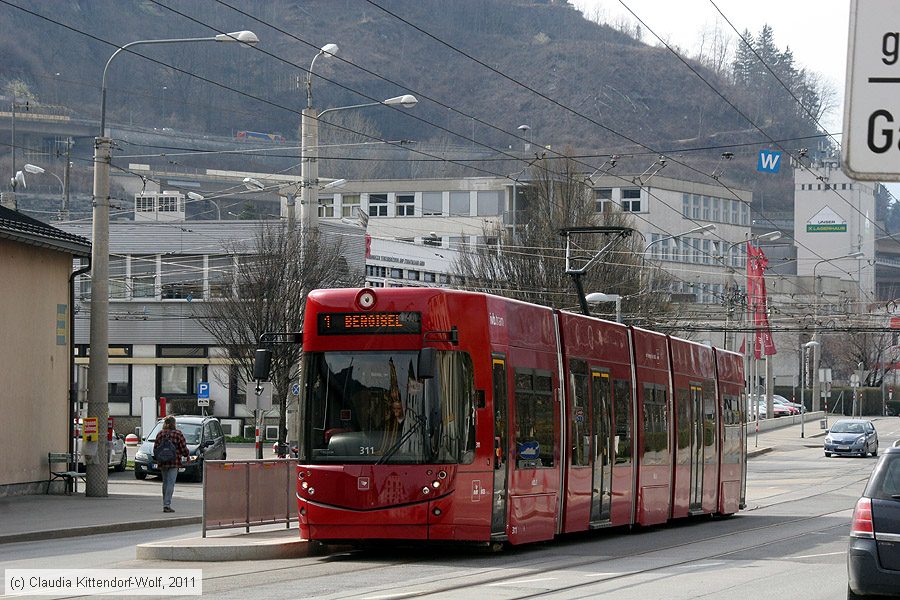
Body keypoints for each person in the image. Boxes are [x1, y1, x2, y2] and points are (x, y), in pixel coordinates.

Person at [154, 416, 189, 513]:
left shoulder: (160, 434)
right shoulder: (178, 434)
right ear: (174, 423)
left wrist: (159, 458)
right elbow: (183, 448)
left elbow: (155, 448)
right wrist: (186, 455)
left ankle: (165, 503)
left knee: (165, 483)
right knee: (171, 483)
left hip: (162, 462)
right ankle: (167, 505)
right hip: (174, 462)